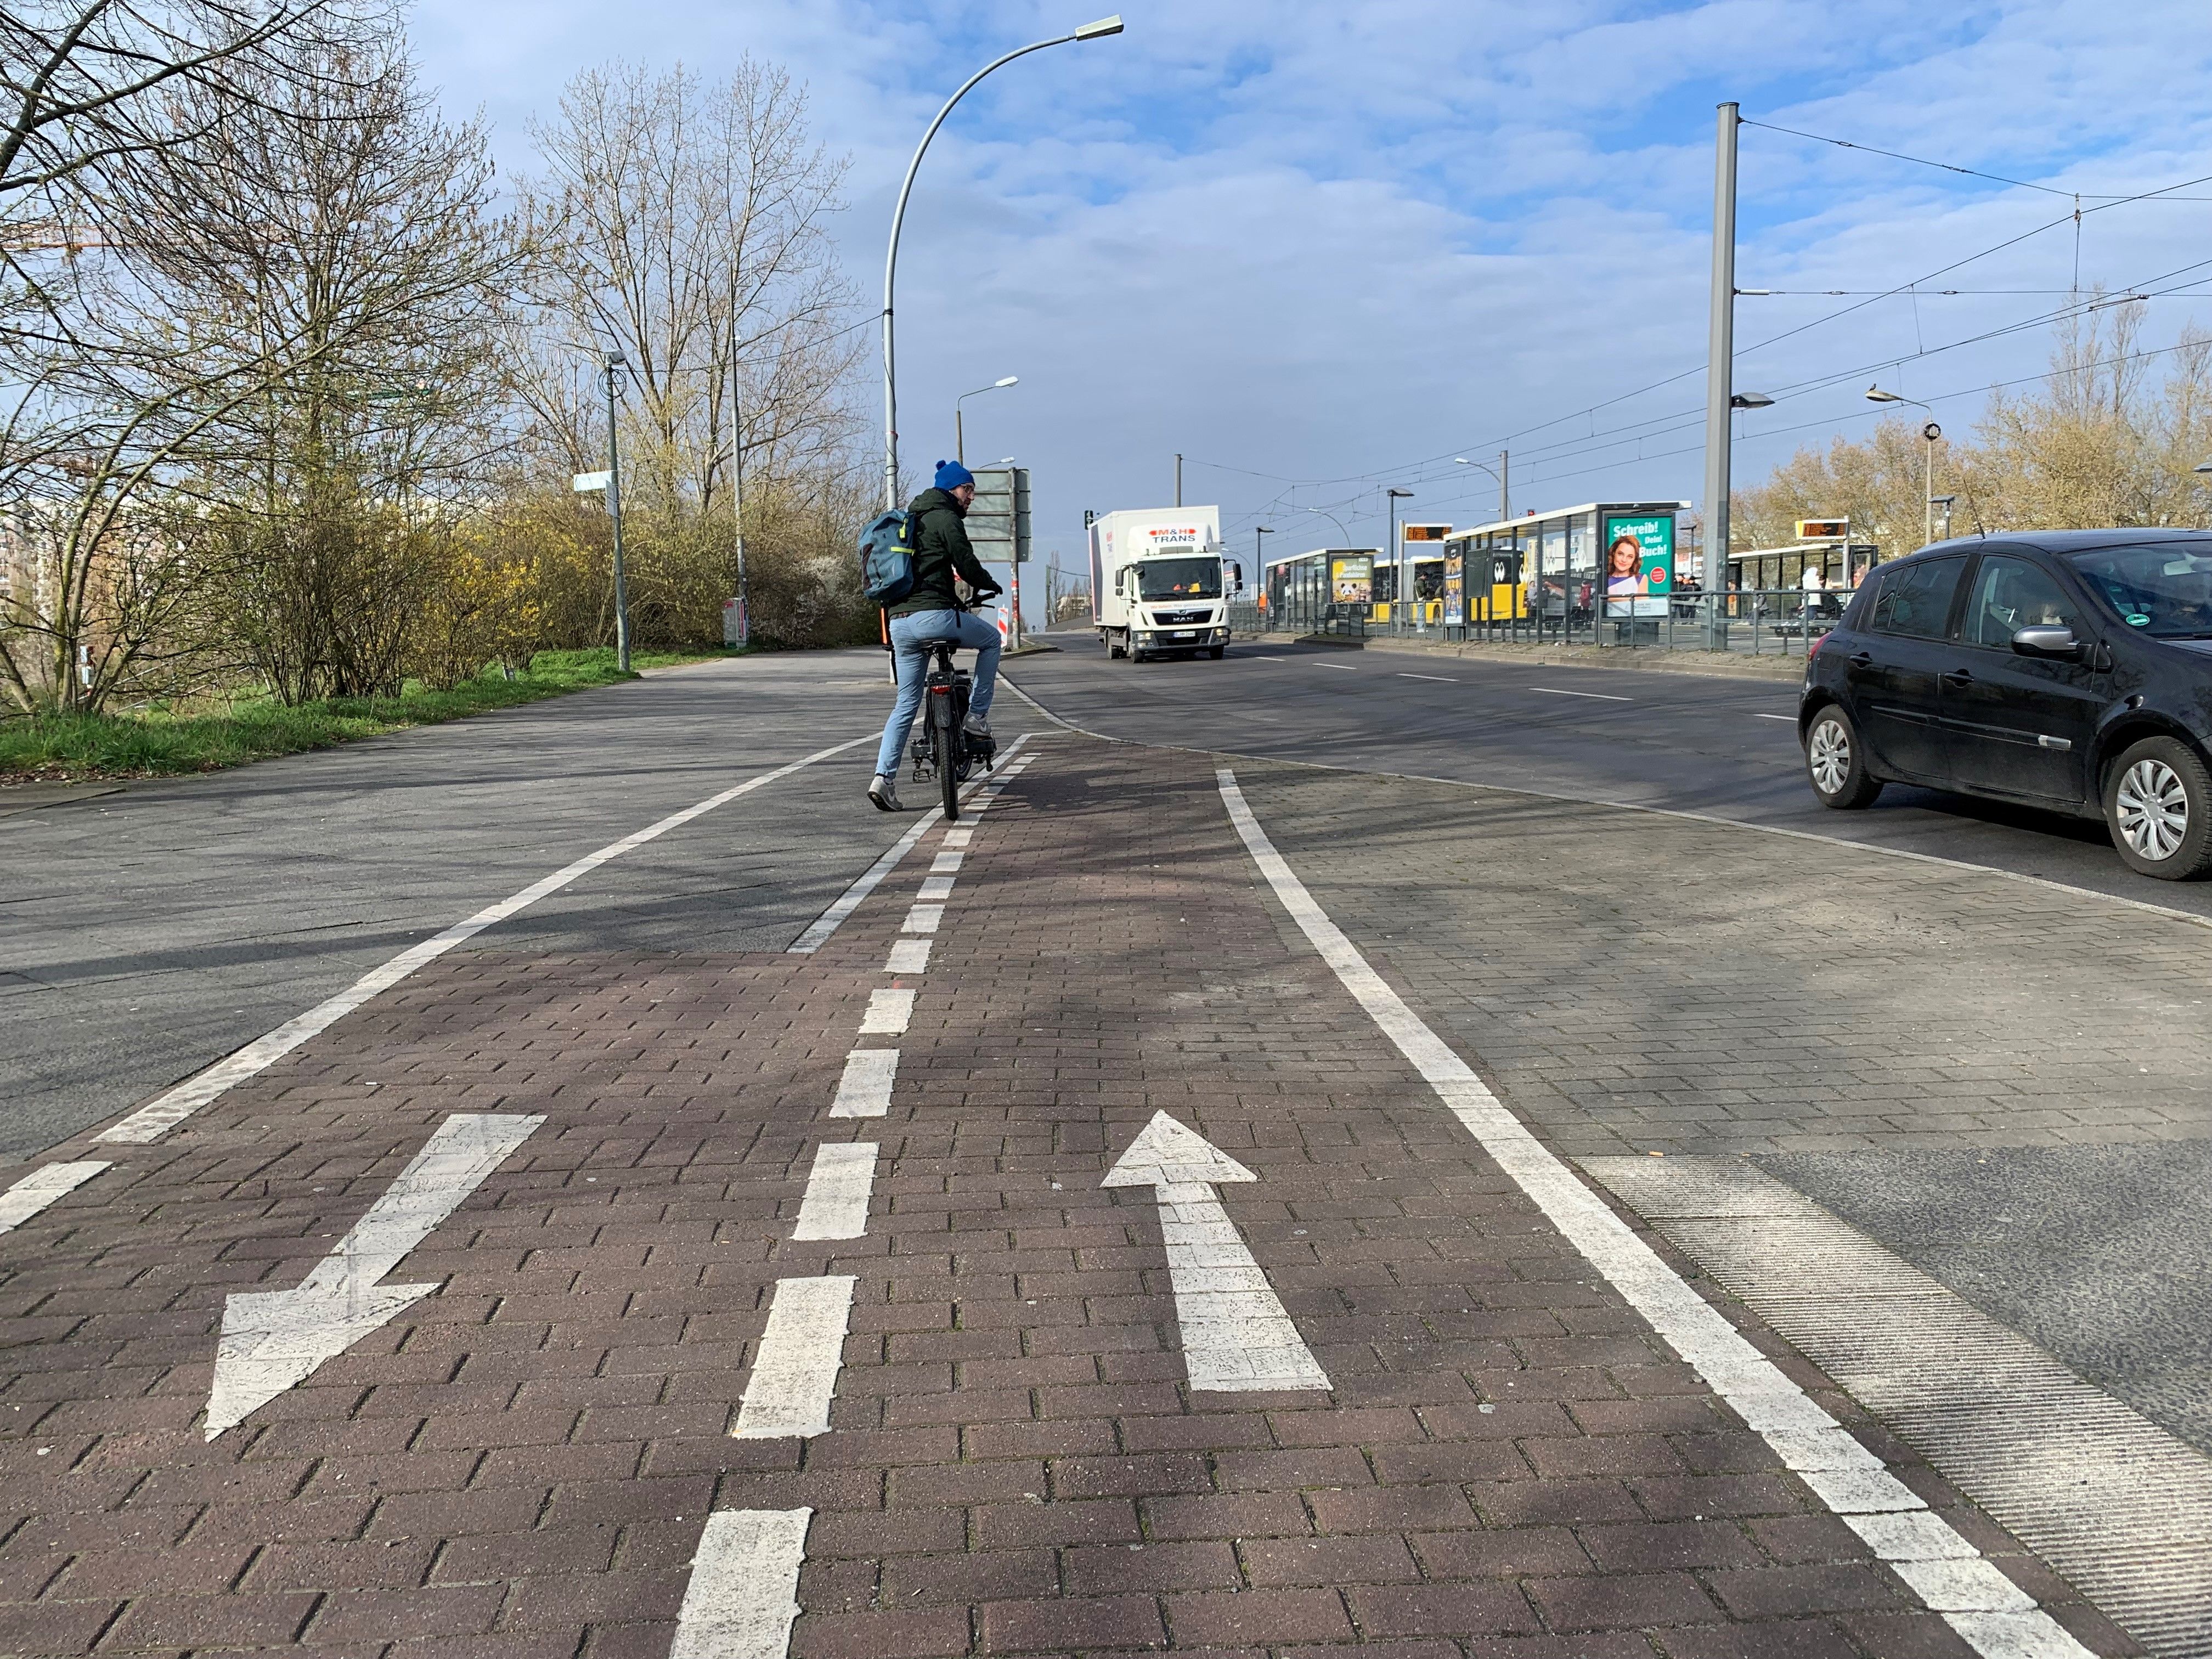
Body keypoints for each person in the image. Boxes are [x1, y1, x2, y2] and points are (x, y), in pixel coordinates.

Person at [869, 459, 1003, 811]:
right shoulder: (946, 518)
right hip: (935, 619)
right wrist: (990, 584)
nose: (970, 497)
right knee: (992, 640)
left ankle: (883, 779)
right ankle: (976, 716)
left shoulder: (910, 520)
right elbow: (966, 563)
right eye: (967, 489)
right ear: (950, 489)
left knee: (905, 703)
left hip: (899, 623)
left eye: (972, 491)